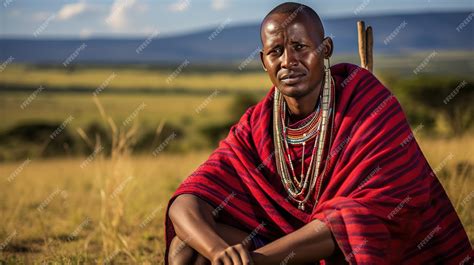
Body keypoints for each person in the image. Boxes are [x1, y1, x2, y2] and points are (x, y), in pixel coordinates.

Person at [165, 2, 472, 264]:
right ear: (263, 61)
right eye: (276, 51)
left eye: (300, 47)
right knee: (187, 246)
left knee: (351, 218)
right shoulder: (258, 124)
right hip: (278, 248)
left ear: (325, 49)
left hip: (348, 254)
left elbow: (368, 213)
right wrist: (222, 253)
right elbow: (189, 198)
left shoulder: (366, 102)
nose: (288, 61)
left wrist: (261, 260)